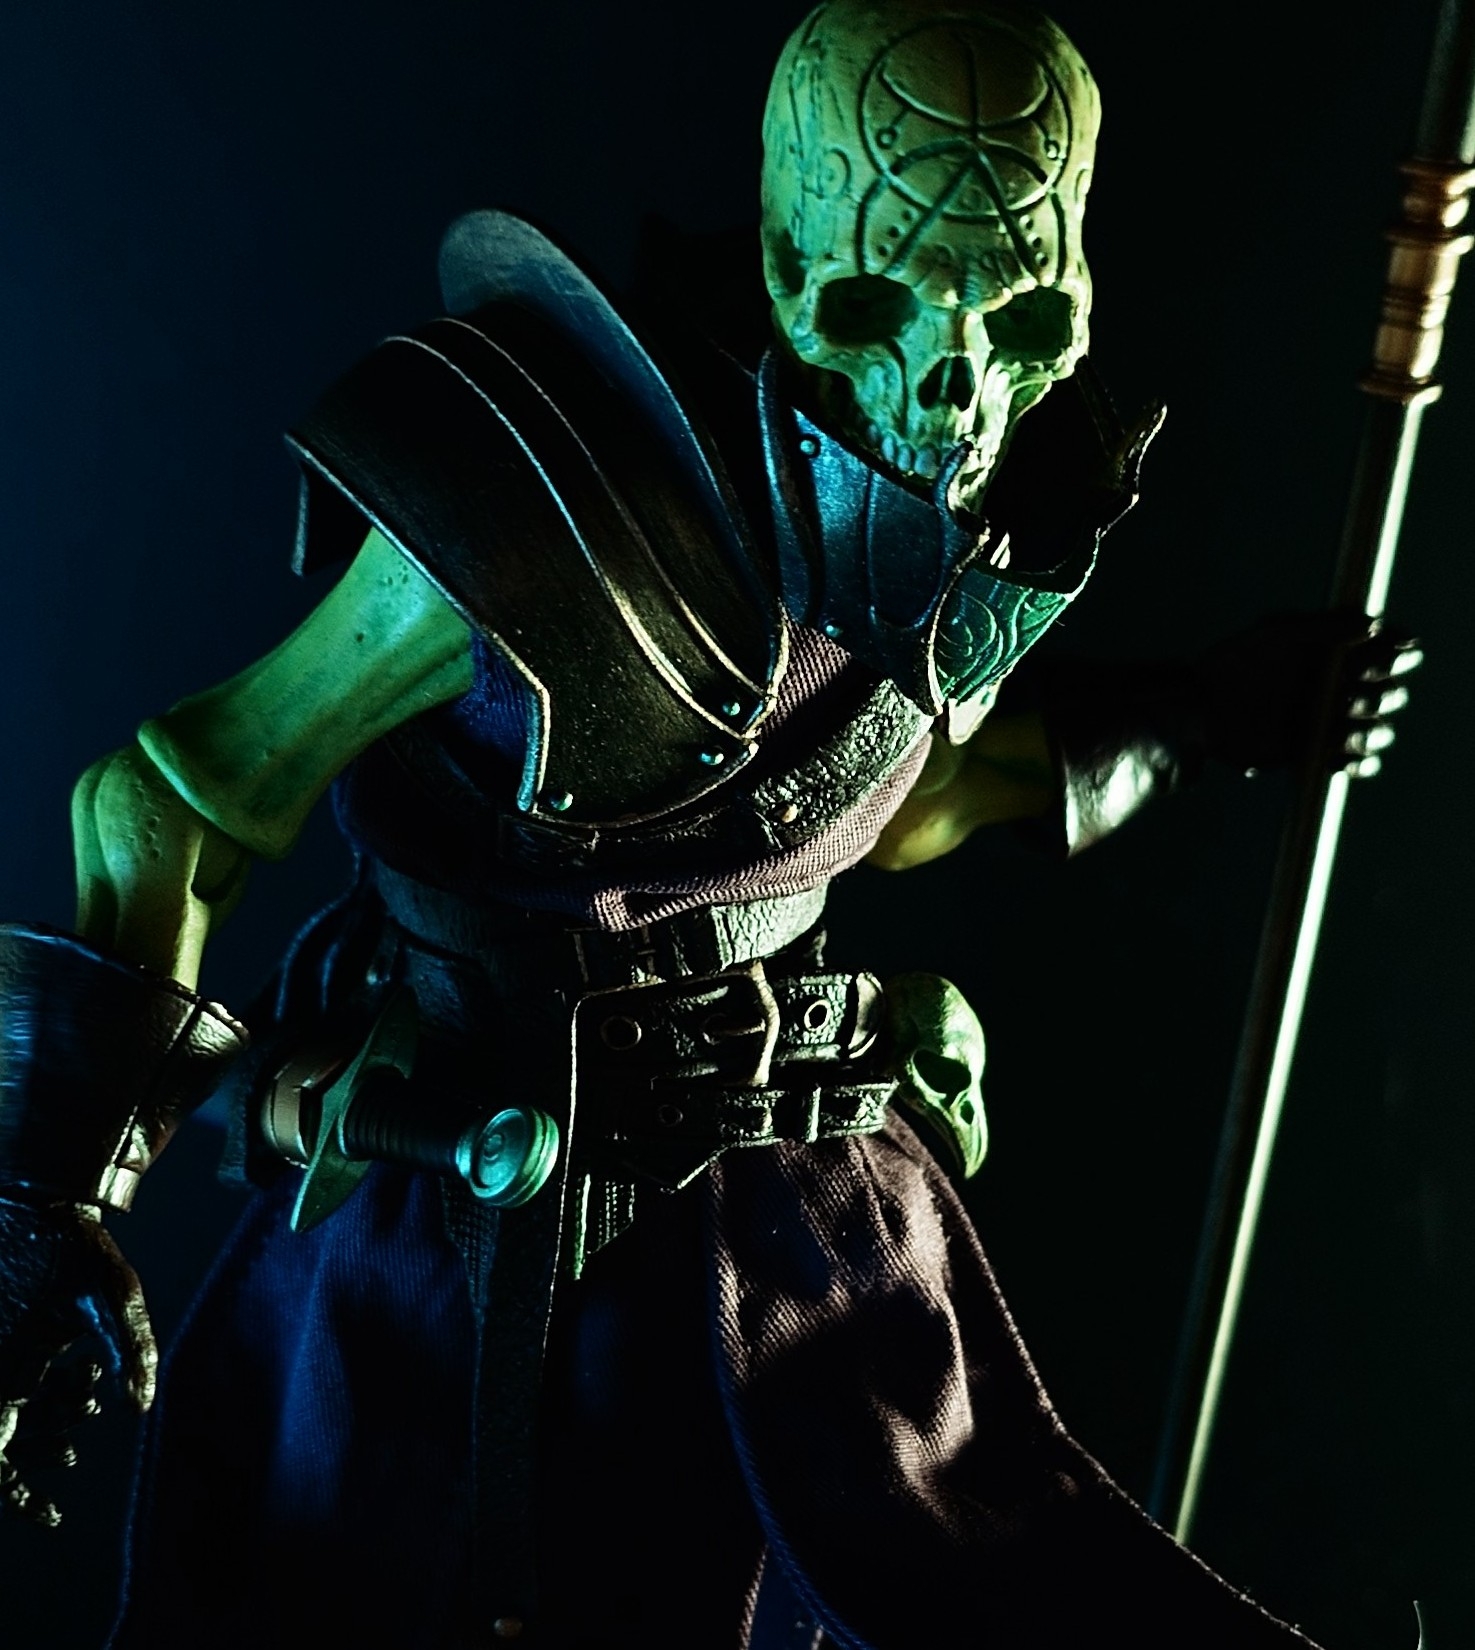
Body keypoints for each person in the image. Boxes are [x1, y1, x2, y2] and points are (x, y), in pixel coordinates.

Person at [0, 2, 1417, 1645]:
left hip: (790, 1250)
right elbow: (178, 797)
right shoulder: (536, 504)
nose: (957, 395)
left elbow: (884, 801)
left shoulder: (952, 520)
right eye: (888, 304)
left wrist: (1198, 719)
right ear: (792, 266)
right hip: (470, 1230)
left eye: (1022, 319)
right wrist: (46, 1204)